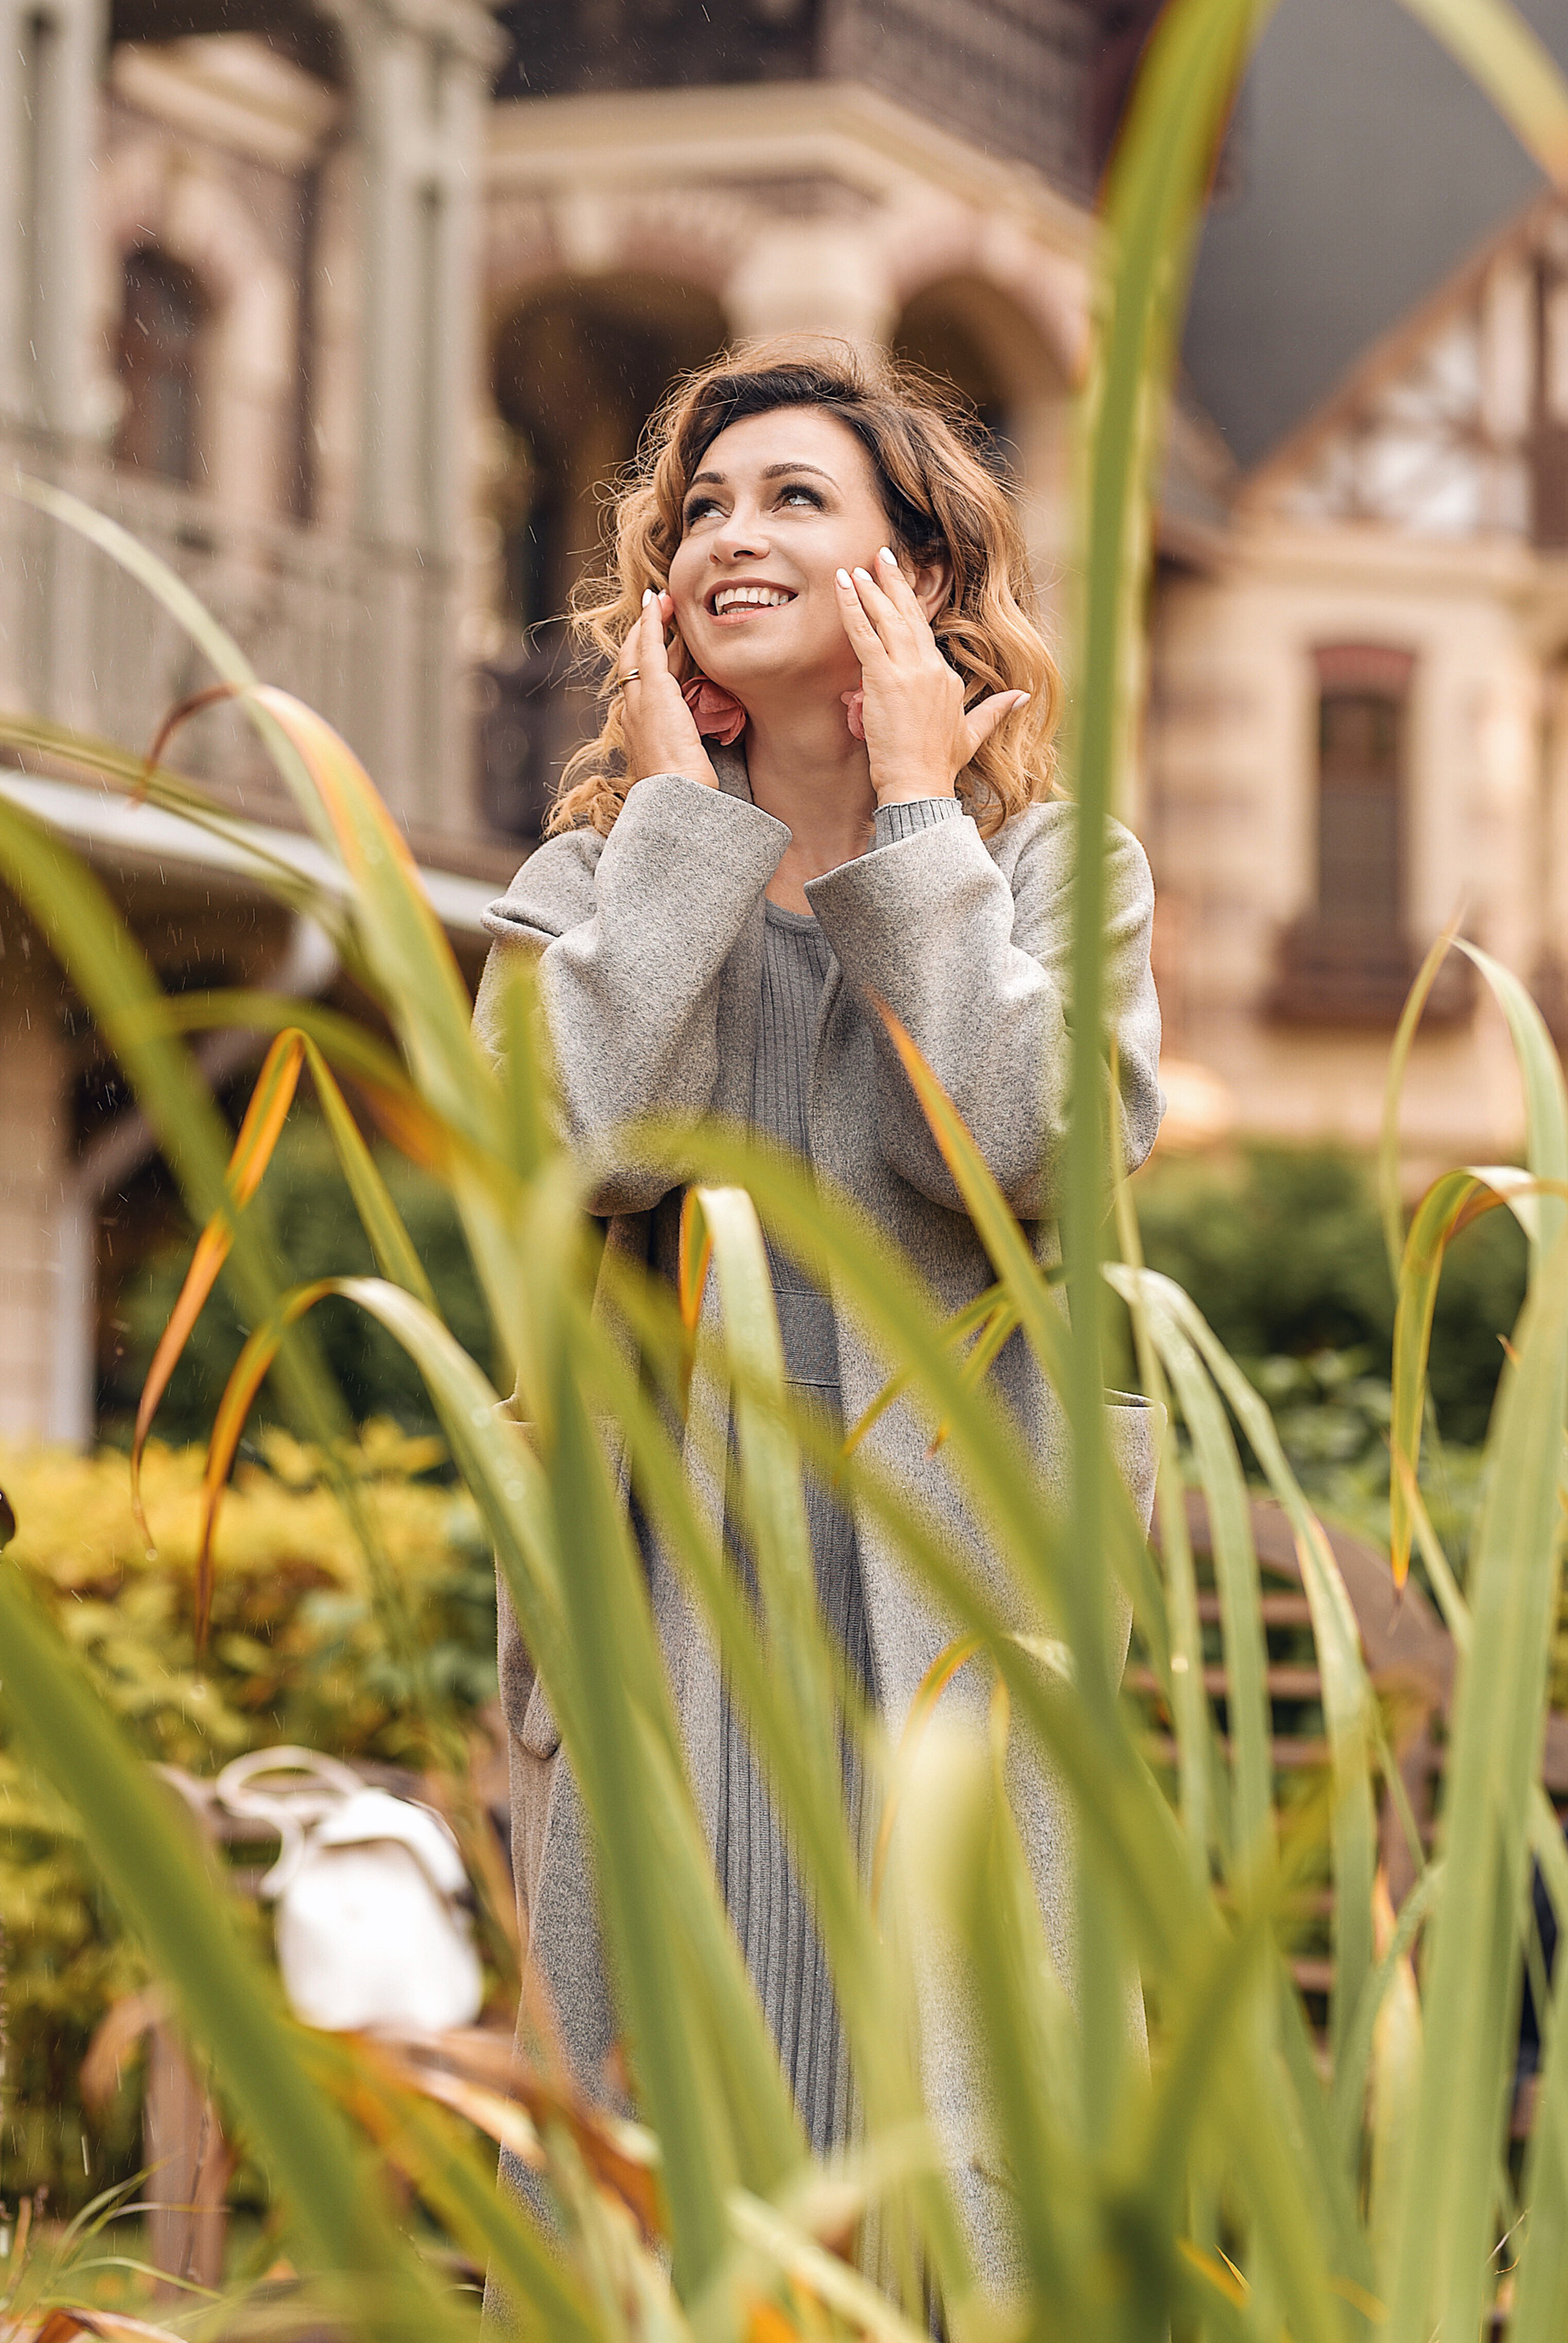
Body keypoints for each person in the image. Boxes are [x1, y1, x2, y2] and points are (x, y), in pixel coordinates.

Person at [475, 342, 1163, 2271]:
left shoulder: (1042, 872)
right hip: (669, 1614)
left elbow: (1025, 1147)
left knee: (958, 2166)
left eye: (793, 499)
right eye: (699, 507)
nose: (726, 535)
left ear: (916, 581)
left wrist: (919, 832)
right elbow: (570, 1140)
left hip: (944, 1626)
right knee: (668, 2160)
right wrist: (686, 837)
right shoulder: (592, 881)